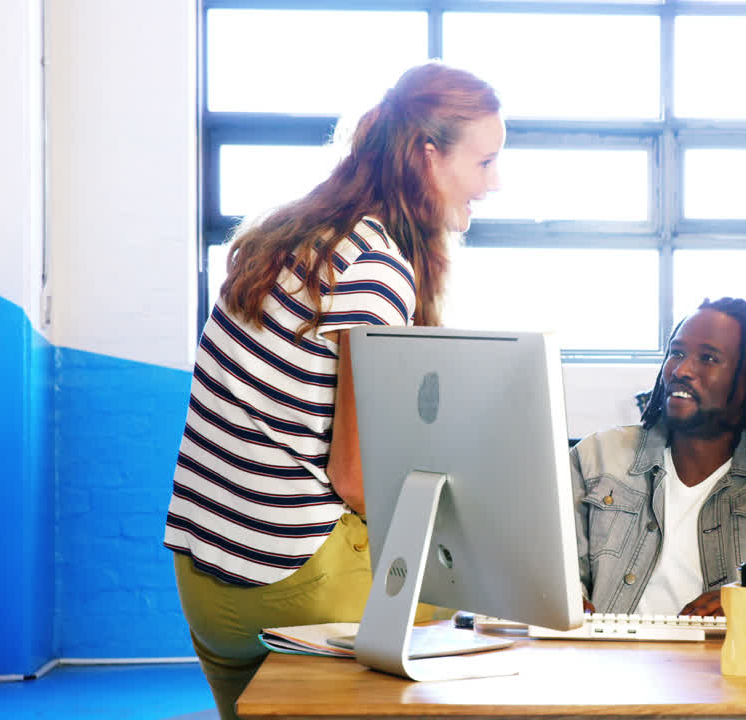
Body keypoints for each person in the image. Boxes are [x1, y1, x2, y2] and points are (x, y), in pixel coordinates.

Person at [163, 62, 504, 720]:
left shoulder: (289, 234)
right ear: (427, 156)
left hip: (206, 582)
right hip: (292, 583)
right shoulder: (375, 266)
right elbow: (354, 478)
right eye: (485, 162)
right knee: (476, 591)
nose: (494, 183)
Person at [572, 297, 746, 624]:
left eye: (708, 358)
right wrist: (569, 601)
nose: (681, 370)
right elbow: (555, 572)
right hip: (608, 651)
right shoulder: (596, 456)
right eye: (677, 353)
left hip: (722, 655)